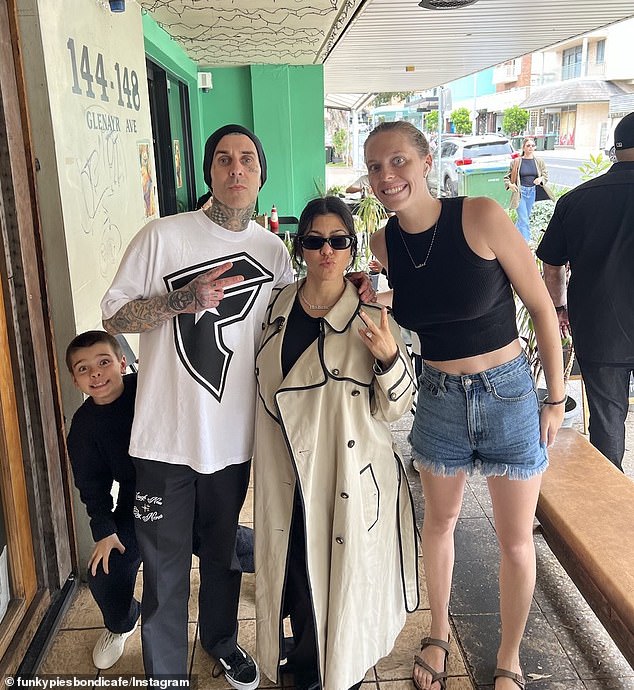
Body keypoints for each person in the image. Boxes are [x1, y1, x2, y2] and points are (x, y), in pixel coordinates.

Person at [101, 124, 373, 686]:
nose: (235, 169)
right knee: (165, 569)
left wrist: (358, 289)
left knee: (223, 559)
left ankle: (221, 641)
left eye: (247, 159)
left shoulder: (272, 251)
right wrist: (183, 299)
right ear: (209, 171)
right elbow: (114, 317)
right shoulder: (163, 235)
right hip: (163, 441)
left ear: (261, 174)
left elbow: (300, 317)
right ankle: (166, 673)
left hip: (233, 440)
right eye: (223, 159)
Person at [364, 121, 565, 690]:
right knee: (441, 522)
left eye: (398, 161)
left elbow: (542, 308)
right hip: (440, 397)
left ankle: (508, 658)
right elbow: (426, 294)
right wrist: (377, 294)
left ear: (426, 161)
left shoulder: (479, 216)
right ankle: (439, 632)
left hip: (507, 394)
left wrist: (555, 398)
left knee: (515, 539)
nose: (387, 176)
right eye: (376, 167)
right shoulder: (384, 244)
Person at [253, 196, 419, 690]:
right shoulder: (277, 306)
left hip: (346, 471)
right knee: (298, 568)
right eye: (315, 240)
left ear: (352, 247)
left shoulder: (371, 315)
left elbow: (397, 410)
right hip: (288, 465)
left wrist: (389, 358)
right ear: (300, 246)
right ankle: (305, 665)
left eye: (338, 241)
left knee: (341, 580)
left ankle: (329, 669)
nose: (327, 250)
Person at [537, 111, 634, 472]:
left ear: (615, 149)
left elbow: (552, 264)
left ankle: (607, 511)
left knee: (607, 424)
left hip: (600, 326)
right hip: (601, 326)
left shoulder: (578, 199)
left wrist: (559, 307)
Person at [65, 331, 140, 671]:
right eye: (83, 368)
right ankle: (123, 622)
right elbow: (92, 486)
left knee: (230, 545)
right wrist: (105, 530)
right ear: (75, 380)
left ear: (122, 362)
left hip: (184, 491)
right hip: (136, 500)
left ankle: (281, 579)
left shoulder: (147, 389)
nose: (95, 373)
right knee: (105, 571)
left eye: (104, 362)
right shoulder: (83, 427)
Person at [504, 137, 554, 243]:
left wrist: (540, 179)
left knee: (524, 218)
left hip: (532, 192)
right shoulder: (517, 162)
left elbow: (545, 175)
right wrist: (510, 185)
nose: (531, 147)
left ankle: (511, 237)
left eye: (533, 145)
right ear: (523, 147)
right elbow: (507, 177)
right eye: (528, 145)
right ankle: (526, 244)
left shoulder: (539, 161)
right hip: (520, 193)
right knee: (524, 219)